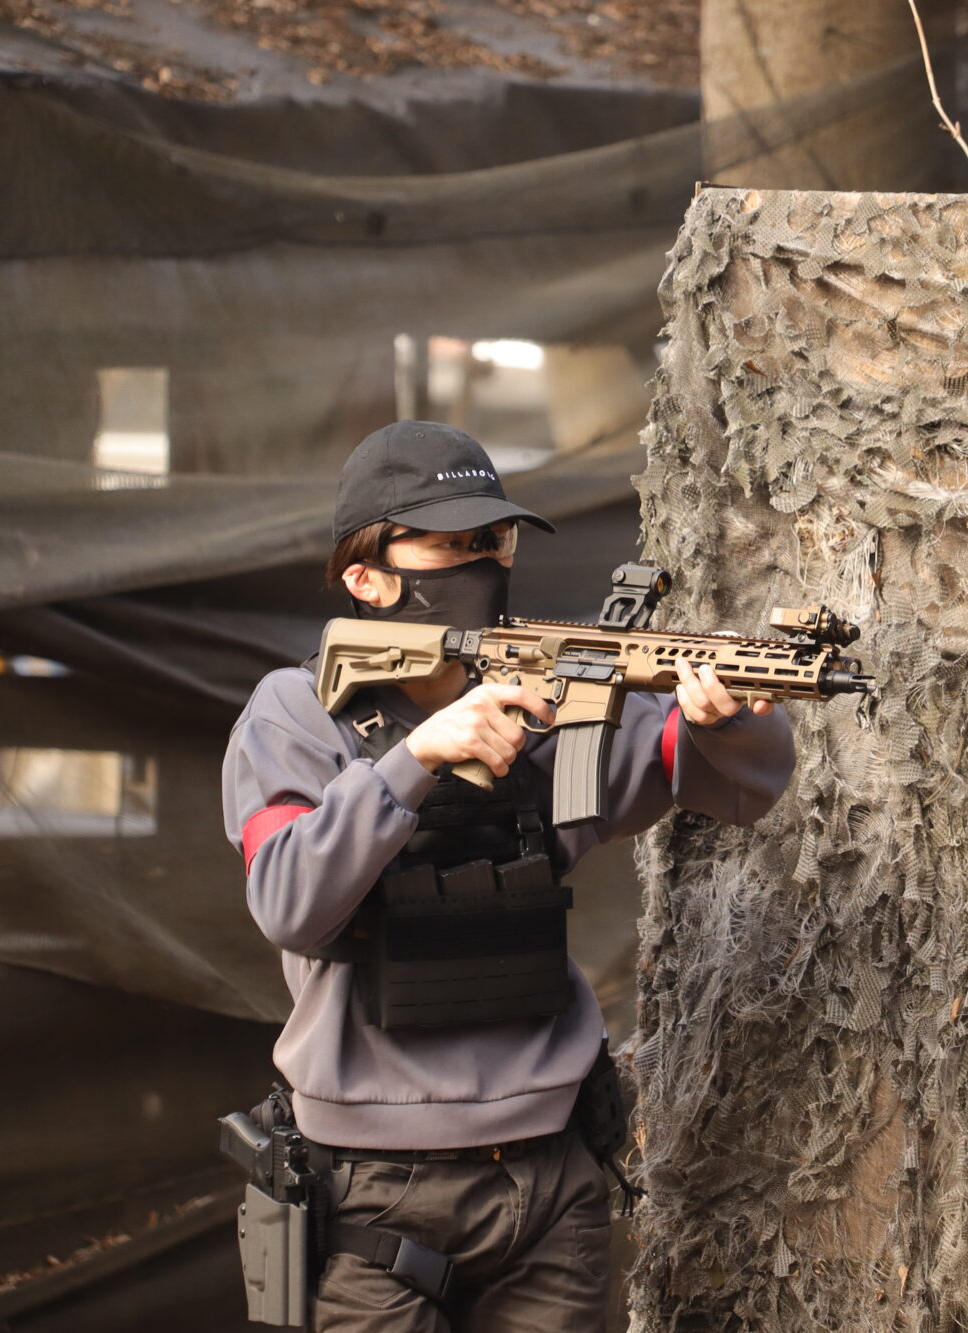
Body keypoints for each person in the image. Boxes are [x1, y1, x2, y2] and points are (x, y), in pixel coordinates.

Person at [223, 420, 795, 1332]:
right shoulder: (295, 713)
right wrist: (416, 758)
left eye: (495, 541)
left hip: (549, 1178)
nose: (483, 563)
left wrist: (726, 719)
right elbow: (290, 901)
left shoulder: (554, 694)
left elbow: (734, 785)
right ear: (365, 578)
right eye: (451, 545)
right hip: (371, 1190)